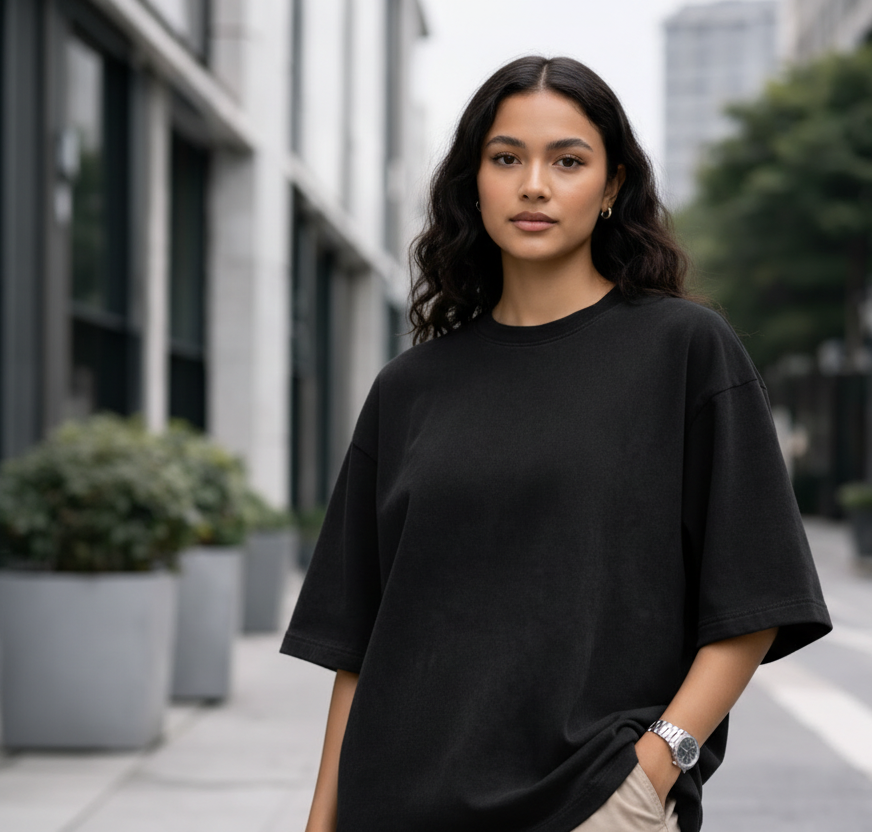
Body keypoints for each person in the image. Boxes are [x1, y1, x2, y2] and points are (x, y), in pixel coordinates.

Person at [280, 55, 832, 832]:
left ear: (610, 188)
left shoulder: (684, 351)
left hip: (592, 801)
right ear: (474, 180)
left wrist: (653, 770)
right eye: (506, 159)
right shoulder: (409, 388)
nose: (533, 184)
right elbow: (359, 648)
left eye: (567, 161)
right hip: (395, 806)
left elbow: (754, 600)